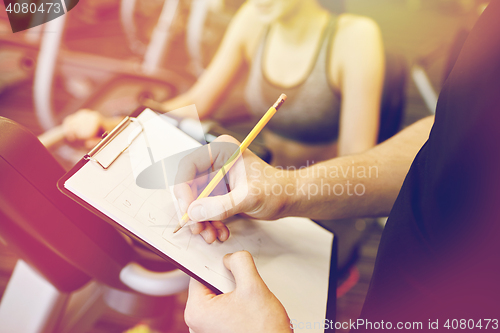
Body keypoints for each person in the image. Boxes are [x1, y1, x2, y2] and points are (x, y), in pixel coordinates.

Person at [175, 1, 500, 330]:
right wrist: (285, 188)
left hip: (335, 220)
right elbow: (446, 135)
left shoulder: (355, 37)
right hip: (297, 204)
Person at [63, 0, 385, 167]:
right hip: (261, 168)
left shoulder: (356, 37)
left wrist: (288, 192)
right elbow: (197, 103)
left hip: (315, 194)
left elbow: (355, 164)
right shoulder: (253, 19)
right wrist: (116, 126)